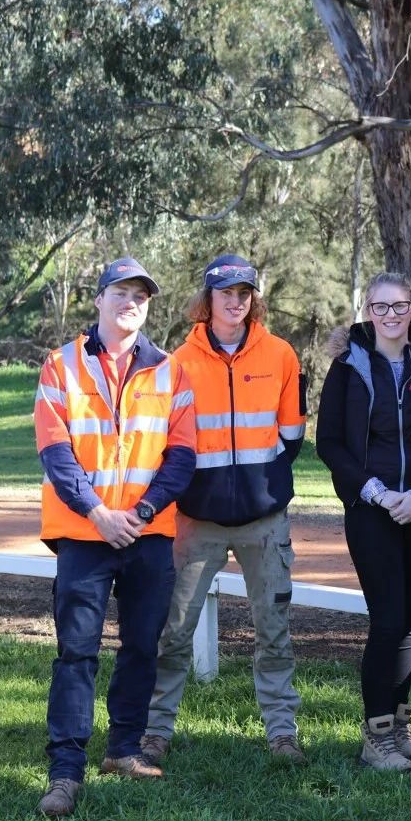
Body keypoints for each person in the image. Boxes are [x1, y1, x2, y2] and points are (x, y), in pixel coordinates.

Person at [33, 257, 196, 818]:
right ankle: (65, 770)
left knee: (142, 647)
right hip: (84, 533)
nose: (131, 302)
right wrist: (100, 513)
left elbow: (182, 457)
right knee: (76, 653)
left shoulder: (171, 371)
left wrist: (142, 512)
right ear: (99, 299)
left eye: (140, 296)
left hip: (148, 534)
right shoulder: (60, 365)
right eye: (121, 292)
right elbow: (56, 452)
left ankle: (124, 750)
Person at [140, 254, 308, 767]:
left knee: (273, 629)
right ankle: (154, 732)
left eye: (244, 293)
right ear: (207, 299)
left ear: (254, 299)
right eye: (226, 293)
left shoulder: (281, 355)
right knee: (173, 631)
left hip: (265, 519)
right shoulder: (177, 363)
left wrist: (260, 486)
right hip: (196, 519)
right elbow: (167, 443)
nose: (236, 302)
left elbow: (291, 437)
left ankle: (282, 734)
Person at [315, 272, 411, 771]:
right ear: (368, 311)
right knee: (387, 618)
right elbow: (329, 441)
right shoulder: (347, 365)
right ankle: (375, 736)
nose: (391, 315)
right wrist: (375, 491)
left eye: (400, 306)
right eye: (380, 307)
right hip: (370, 508)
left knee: (410, 617)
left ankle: (400, 726)